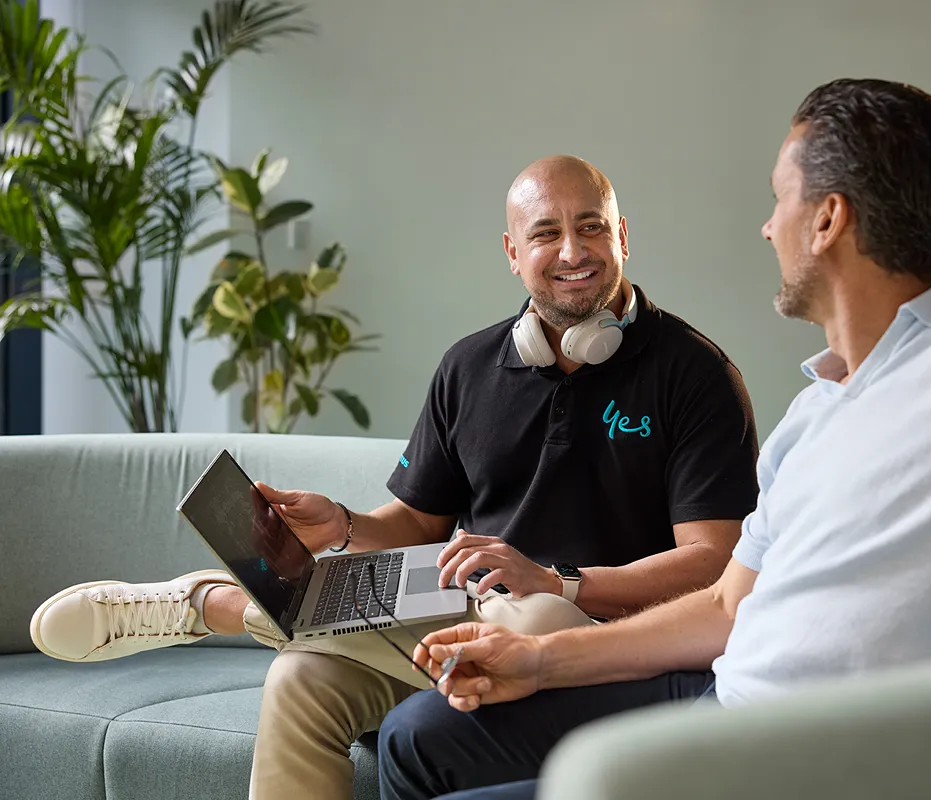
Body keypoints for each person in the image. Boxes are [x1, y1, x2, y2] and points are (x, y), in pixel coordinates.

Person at [375, 78, 931, 800]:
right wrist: (541, 663)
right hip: (722, 700)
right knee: (421, 740)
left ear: (829, 218)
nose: (769, 228)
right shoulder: (823, 403)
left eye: (780, 200)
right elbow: (730, 605)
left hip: (811, 751)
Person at [27, 155, 761, 800]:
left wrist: (556, 580)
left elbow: (712, 565)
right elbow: (413, 524)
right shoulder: (469, 368)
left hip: (593, 630)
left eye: (592, 227)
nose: (573, 249)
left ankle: (219, 606)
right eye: (546, 233)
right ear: (513, 252)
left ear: (622, 236)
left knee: (527, 614)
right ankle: (242, 607)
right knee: (302, 679)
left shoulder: (694, 375)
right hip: (465, 608)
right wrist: (343, 526)